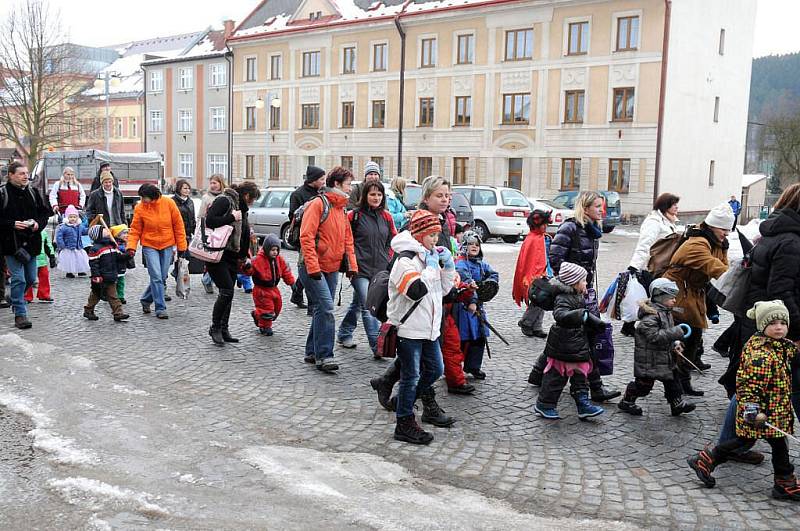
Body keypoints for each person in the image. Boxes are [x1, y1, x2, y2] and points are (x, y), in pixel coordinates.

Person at [687, 300, 800, 501]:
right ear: (762, 326)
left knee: (753, 441)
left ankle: (707, 460)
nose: (779, 327)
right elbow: (749, 387)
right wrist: (753, 412)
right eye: (773, 324)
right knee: (764, 442)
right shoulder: (761, 355)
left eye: (783, 324)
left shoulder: (779, 346)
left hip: (773, 410)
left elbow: (792, 350)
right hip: (761, 413)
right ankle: (784, 483)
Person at [528, 191, 620, 402]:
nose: (601, 210)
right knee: (586, 336)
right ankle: (596, 388)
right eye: (597, 206)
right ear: (585, 208)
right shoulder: (570, 228)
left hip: (584, 289)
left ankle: (537, 374)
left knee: (566, 336)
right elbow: (556, 259)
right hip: (573, 291)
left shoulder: (593, 230)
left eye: (602, 206)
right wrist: (573, 283)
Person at [389, 209, 456, 444]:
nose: (435, 240)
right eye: (431, 235)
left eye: (437, 235)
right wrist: (429, 268)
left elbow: (445, 291)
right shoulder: (404, 261)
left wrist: (447, 267)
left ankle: (403, 403)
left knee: (435, 370)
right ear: (418, 235)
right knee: (411, 376)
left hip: (430, 328)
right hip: (410, 328)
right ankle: (404, 422)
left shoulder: (430, 257)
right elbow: (416, 291)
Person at [664, 203, 732, 396]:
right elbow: (715, 267)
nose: (726, 233)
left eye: (728, 229)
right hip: (678, 293)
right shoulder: (697, 243)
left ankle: (683, 381)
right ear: (711, 226)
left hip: (694, 293)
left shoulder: (717, 243)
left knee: (694, 338)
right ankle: (672, 383)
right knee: (682, 338)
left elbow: (721, 265)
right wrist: (738, 277)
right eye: (723, 229)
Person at [298, 166, 358, 372]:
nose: (351, 189)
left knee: (320, 309)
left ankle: (311, 352)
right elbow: (306, 236)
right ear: (336, 184)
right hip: (312, 267)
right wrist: (313, 267)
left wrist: (352, 266)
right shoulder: (318, 204)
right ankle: (325, 355)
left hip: (331, 268)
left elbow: (347, 240)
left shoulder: (341, 209)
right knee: (326, 308)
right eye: (348, 184)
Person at [534, 262, 606, 420]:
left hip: (577, 344)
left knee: (581, 375)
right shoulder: (563, 297)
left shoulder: (577, 294)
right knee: (556, 378)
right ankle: (544, 404)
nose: (586, 283)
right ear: (574, 282)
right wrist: (582, 315)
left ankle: (583, 404)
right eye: (583, 281)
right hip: (563, 345)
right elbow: (560, 315)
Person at [617, 278, 696, 417]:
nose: (674, 301)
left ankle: (676, 403)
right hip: (650, 360)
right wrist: (676, 332)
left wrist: (676, 344)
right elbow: (655, 337)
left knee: (672, 380)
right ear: (661, 297)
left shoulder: (666, 312)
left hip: (664, 357)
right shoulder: (650, 317)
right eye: (671, 298)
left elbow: (667, 333)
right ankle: (627, 400)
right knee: (643, 386)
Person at [338, 180, 396, 357]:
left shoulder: (387, 217)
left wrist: (389, 259)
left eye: (379, 194)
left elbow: (393, 240)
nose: (376, 197)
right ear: (365, 196)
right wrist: (351, 263)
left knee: (358, 303)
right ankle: (377, 346)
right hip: (359, 270)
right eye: (372, 194)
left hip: (379, 270)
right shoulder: (353, 216)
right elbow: (345, 241)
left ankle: (344, 332)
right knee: (368, 306)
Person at [203, 181, 260, 344]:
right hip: (218, 253)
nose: (252, 202)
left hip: (233, 257)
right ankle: (215, 328)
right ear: (247, 195)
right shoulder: (225, 200)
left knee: (229, 293)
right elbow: (210, 221)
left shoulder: (242, 208)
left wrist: (244, 256)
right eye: (253, 199)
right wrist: (231, 217)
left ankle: (224, 328)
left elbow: (242, 234)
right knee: (226, 290)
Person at [0, 161, 53, 329]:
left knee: (30, 278)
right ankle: (20, 314)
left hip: (31, 243)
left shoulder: (33, 192)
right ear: (11, 175)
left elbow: (45, 213)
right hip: (11, 244)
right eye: (21, 173)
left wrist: (38, 223)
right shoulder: (3, 193)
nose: (25, 176)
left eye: (26, 173)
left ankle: (14, 298)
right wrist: (12, 224)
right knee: (18, 278)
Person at [126, 184, 187, 319]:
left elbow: (178, 225)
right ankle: (160, 307)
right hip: (149, 245)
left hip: (167, 244)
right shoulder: (140, 208)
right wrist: (131, 247)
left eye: (144, 197)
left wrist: (182, 246)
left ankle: (146, 299)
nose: (142, 200)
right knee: (156, 277)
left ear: (153, 196)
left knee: (162, 277)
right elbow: (135, 229)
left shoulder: (168, 203)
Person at [623, 193, 681, 336]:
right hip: (651, 266)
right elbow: (645, 244)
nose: (677, 207)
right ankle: (639, 326)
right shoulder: (654, 222)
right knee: (656, 297)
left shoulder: (668, 221)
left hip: (662, 265)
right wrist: (634, 266)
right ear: (665, 206)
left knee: (654, 296)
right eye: (674, 204)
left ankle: (629, 326)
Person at [455, 231, 499, 380]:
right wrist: (472, 301)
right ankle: (455, 368)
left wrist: (489, 284)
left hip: (477, 307)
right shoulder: (461, 264)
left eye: (477, 244)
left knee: (479, 337)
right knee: (463, 339)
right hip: (464, 308)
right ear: (464, 246)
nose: (474, 247)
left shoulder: (481, 264)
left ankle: (473, 367)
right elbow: (467, 283)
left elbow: (493, 274)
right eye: (470, 244)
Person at [288, 165, 326, 309]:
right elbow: (292, 215)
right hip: (305, 236)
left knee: (309, 268)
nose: (324, 181)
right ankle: (312, 305)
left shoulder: (321, 192)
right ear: (313, 180)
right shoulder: (298, 194)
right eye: (321, 179)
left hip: (320, 236)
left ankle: (297, 292)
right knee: (309, 268)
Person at [514, 209, 553, 338]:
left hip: (543, 274)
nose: (545, 227)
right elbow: (528, 261)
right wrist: (531, 277)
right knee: (539, 299)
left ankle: (536, 326)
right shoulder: (531, 239)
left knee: (543, 299)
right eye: (544, 225)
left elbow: (545, 257)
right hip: (533, 277)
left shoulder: (543, 238)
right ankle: (527, 322)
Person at [247, 234, 295, 336]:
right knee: (267, 309)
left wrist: (292, 283)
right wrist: (246, 267)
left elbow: (286, 271)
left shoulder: (279, 259)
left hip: (273, 288)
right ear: (267, 248)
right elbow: (250, 270)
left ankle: (257, 315)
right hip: (261, 290)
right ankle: (264, 326)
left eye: (276, 250)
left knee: (277, 306)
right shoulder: (258, 259)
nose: (275, 252)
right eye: (272, 250)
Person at [84, 225, 129, 322]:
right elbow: (93, 264)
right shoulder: (95, 249)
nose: (107, 229)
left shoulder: (111, 246)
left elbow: (118, 257)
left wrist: (127, 255)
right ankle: (89, 310)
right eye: (104, 229)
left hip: (111, 275)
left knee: (111, 296)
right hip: (101, 277)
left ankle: (118, 313)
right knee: (96, 295)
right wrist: (96, 275)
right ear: (99, 235)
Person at [199, 174, 225, 295]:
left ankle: (212, 281)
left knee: (221, 258)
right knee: (212, 258)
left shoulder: (226, 197)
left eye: (215, 183)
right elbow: (201, 215)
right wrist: (200, 231)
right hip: (210, 231)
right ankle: (208, 279)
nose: (213, 185)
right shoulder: (206, 198)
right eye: (212, 183)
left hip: (224, 230)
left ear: (221, 183)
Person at [55, 205, 90, 278]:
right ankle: (69, 272)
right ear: (67, 218)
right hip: (68, 247)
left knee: (80, 259)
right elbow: (59, 237)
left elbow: (84, 232)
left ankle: (80, 270)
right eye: (70, 217)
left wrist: (89, 229)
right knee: (70, 261)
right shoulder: (64, 227)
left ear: (77, 218)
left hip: (78, 246)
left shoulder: (79, 226)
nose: (73, 219)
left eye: (74, 217)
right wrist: (62, 245)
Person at [24, 228, 55, 303]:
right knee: (28, 277)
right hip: (29, 257)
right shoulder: (25, 231)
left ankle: (44, 294)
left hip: (41, 259)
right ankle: (27, 296)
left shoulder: (43, 232)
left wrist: (51, 255)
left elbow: (47, 244)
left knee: (44, 276)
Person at [110, 224, 132, 304]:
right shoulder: (114, 244)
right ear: (118, 235)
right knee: (114, 283)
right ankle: (113, 296)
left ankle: (120, 296)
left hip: (122, 267)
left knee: (121, 283)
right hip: (114, 267)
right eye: (124, 233)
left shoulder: (125, 243)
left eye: (127, 233)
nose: (126, 235)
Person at [172, 179, 196, 246]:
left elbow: (192, 218)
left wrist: (194, 231)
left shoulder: (190, 202)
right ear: (179, 189)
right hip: (176, 234)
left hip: (188, 234)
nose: (187, 190)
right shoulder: (172, 201)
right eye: (185, 188)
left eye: (188, 188)